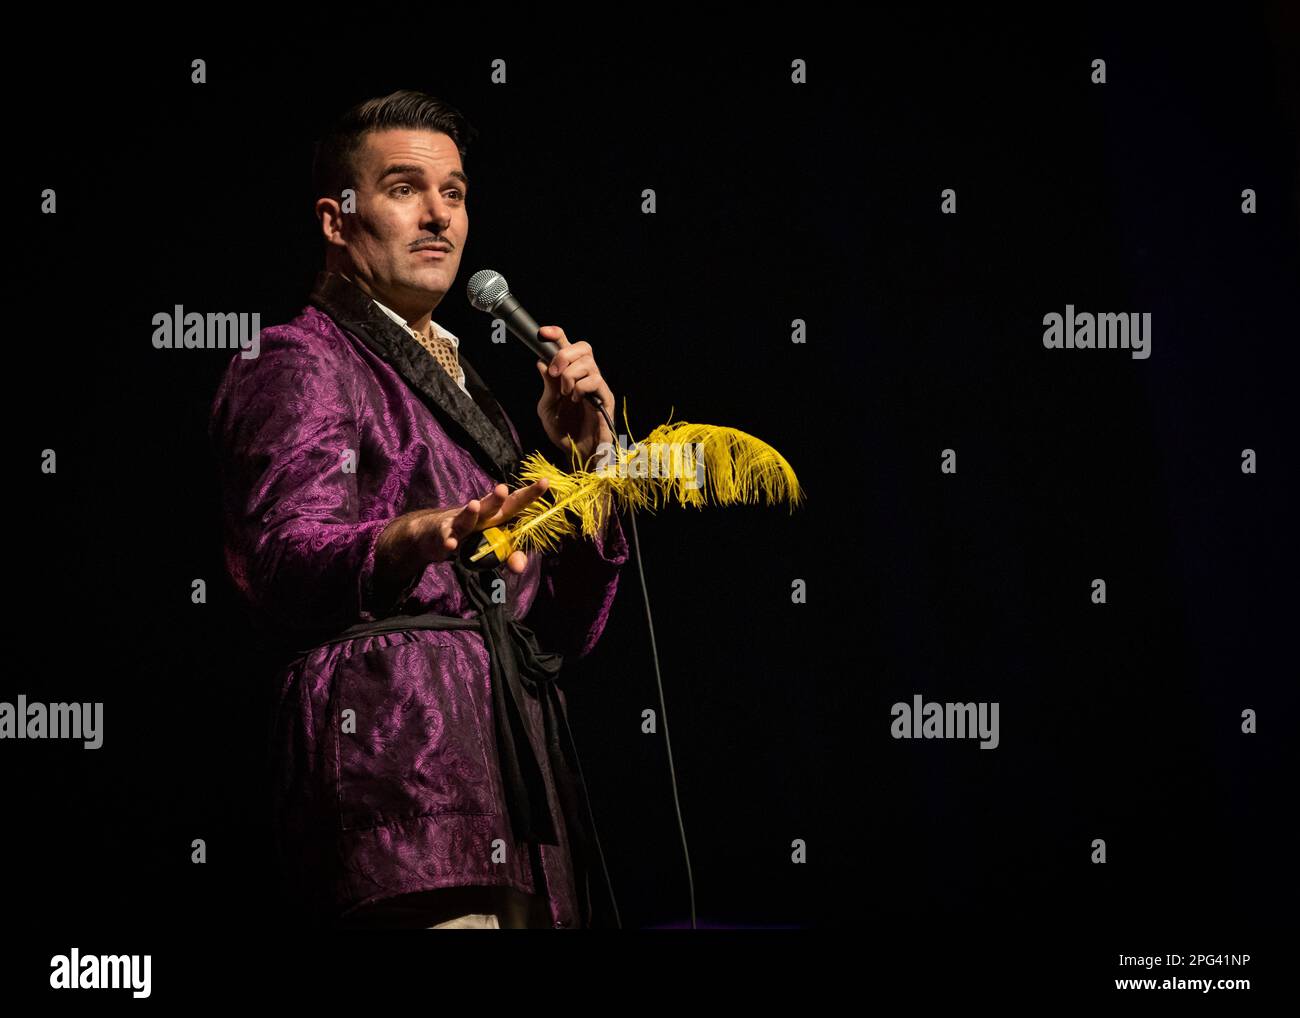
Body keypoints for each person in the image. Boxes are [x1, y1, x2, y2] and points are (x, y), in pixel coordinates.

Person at [208, 90, 627, 929]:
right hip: (401, 775)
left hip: (511, 777)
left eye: (456, 193)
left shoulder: (484, 403)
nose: (439, 214)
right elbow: (279, 557)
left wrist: (589, 466)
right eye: (405, 188)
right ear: (337, 220)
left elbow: (563, 631)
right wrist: (410, 537)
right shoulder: (301, 355)